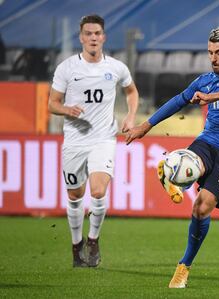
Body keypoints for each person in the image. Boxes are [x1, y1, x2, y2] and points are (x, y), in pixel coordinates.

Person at [125, 26, 219, 288]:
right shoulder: (204, 80)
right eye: (210, 52)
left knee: (202, 206)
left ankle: (183, 265)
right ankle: (174, 173)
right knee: (184, 164)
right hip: (208, 142)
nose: (213, 58)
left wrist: (214, 96)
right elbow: (179, 101)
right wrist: (146, 125)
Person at [48, 14, 139, 267]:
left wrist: (131, 116)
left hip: (104, 138)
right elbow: (52, 104)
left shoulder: (116, 67)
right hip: (75, 141)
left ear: (104, 37)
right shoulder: (67, 68)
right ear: (81, 38)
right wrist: (67, 110)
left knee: (98, 191)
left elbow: (131, 90)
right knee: (75, 196)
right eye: (88, 33)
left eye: (97, 33)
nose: (93, 38)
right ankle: (76, 244)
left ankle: (93, 240)